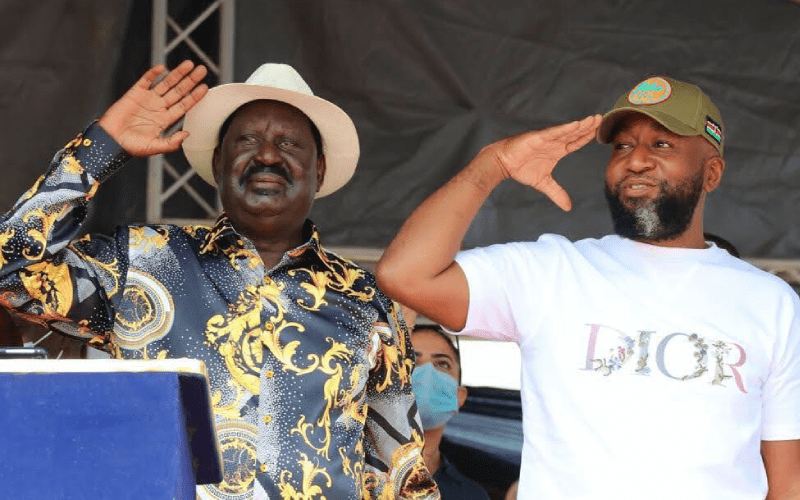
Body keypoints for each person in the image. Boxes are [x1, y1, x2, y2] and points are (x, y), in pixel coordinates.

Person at [0, 60, 438, 499]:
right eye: (247, 139)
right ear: (218, 161)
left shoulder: (367, 301)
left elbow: (400, 474)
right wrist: (99, 151)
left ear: (319, 170)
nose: (267, 155)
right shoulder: (141, 260)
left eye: (289, 143)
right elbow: (10, 270)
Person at [376, 76, 800, 499]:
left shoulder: (771, 303)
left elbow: (787, 483)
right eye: (623, 146)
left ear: (712, 173)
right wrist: (492, 166)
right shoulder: (552, 271)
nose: (636, 161)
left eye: (662, 145)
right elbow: (405, 275)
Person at [410, 324, 490, 500]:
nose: (427, 374)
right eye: (411, 361)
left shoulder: (471, 496)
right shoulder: (347, 471)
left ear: (459, 397)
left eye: (443, 364)